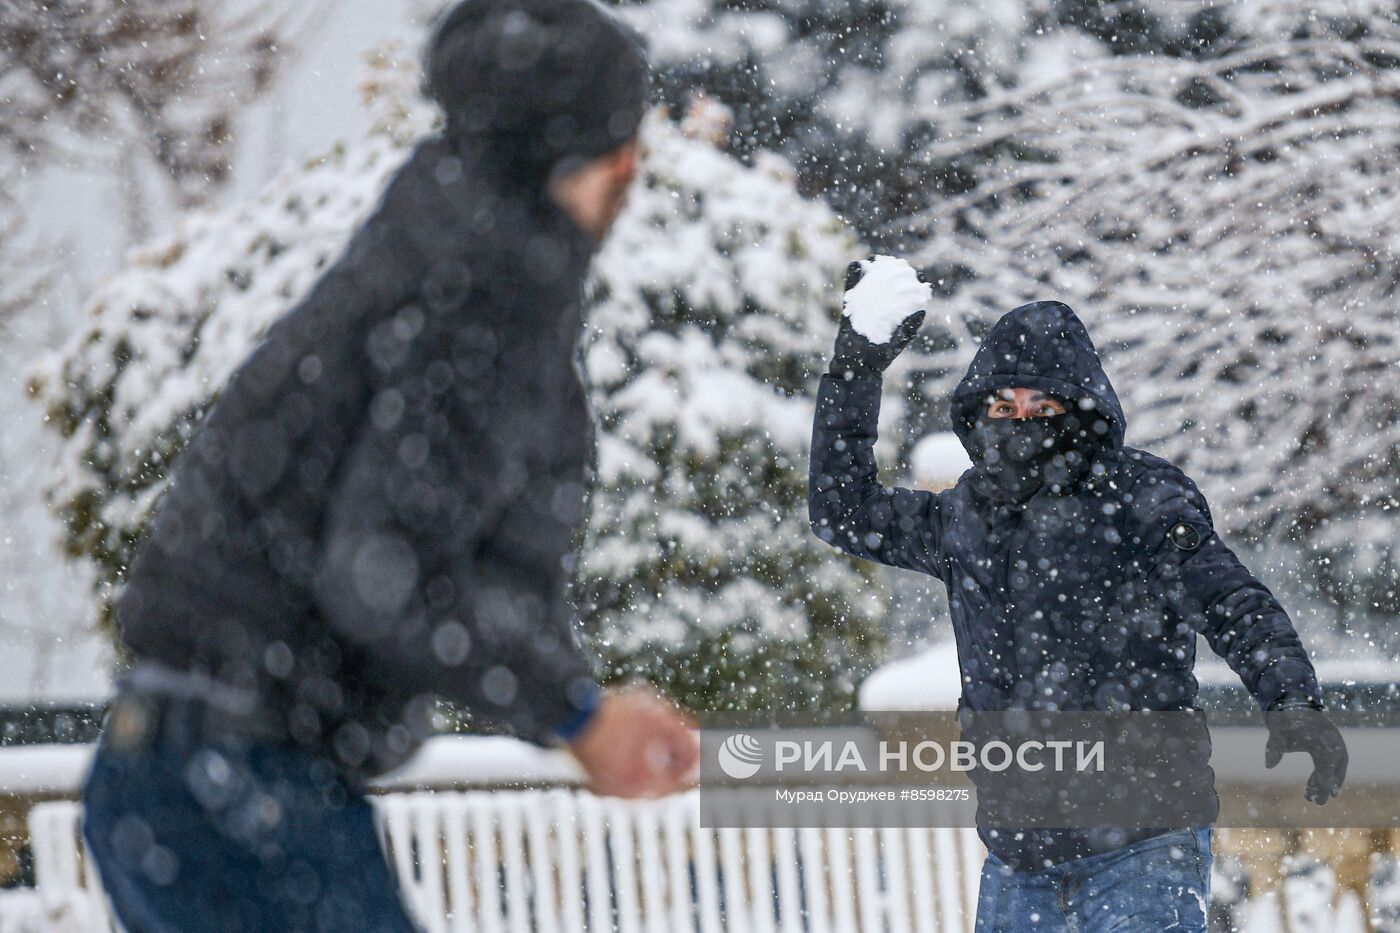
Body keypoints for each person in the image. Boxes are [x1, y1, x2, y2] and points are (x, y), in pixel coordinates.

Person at [81, 1, 697, 929]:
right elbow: (382, 570)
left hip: (156, 769)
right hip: (245, 783)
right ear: (602, 156)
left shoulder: (426, 238)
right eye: (628, 139)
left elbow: (427, 542)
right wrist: (577, 717)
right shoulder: (493, 285)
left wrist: (577, 701)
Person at [808, 268, 1348, 932]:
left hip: (1143, 848)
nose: (1020, 422)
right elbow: (842, 508)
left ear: (1080, 411)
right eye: (1004, 407)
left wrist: (1291, 696)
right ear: (980, 415)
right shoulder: (966, 518)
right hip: (1017, 861)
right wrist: (855, 370)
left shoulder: (1139, 497)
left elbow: (1229, 595)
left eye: (1042, 408)